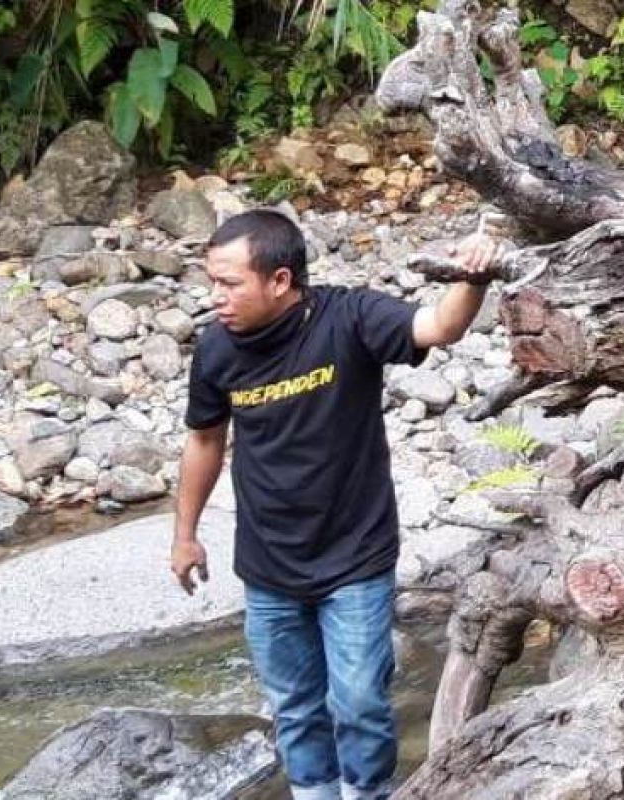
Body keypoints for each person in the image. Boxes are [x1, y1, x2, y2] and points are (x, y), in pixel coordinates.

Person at [170, 209, 503, 800]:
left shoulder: (349, 318)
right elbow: (204, 440)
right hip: (269, 565)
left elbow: (439, 327)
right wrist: (185, 533)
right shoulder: (217, 350)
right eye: (211, 284)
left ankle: (367, 793)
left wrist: (471, 277)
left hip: (354, 556)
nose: (215, 298)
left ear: (279, 281)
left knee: (360, 703)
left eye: (229, 283)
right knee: (295, 708)